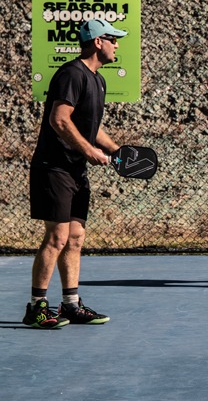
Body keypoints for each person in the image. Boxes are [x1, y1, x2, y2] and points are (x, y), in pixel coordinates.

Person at [24, 18, 129, 329]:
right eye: (113, 39)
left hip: (75, 170)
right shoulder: (72, 74)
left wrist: (117, 151)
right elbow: (60, 120)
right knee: (56, 237)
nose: (116, 45)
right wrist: (88, 151)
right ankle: (36, 307)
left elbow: (91, 129)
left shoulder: (98, 80)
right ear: (98, 41)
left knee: (76, 237)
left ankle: (70, 304)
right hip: (54, 168)